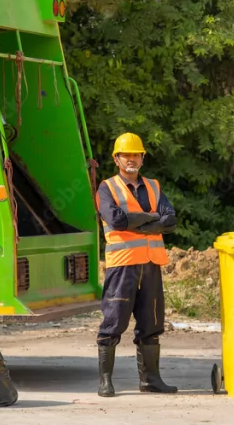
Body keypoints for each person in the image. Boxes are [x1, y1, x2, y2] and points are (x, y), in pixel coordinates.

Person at [95, 132, 177, 397]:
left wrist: (139, 221)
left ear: (142, 158)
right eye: (126, 155)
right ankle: (105, 381)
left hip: (150, 265)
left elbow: (170, 220)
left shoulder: (153, 186)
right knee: (113, 322)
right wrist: (152, 219)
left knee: (151, 324)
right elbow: (117, 220)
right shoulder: (107, 188)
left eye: (136, 154)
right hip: (123, 265)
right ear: (116, 159)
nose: (131, 159)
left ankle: (150, 380)